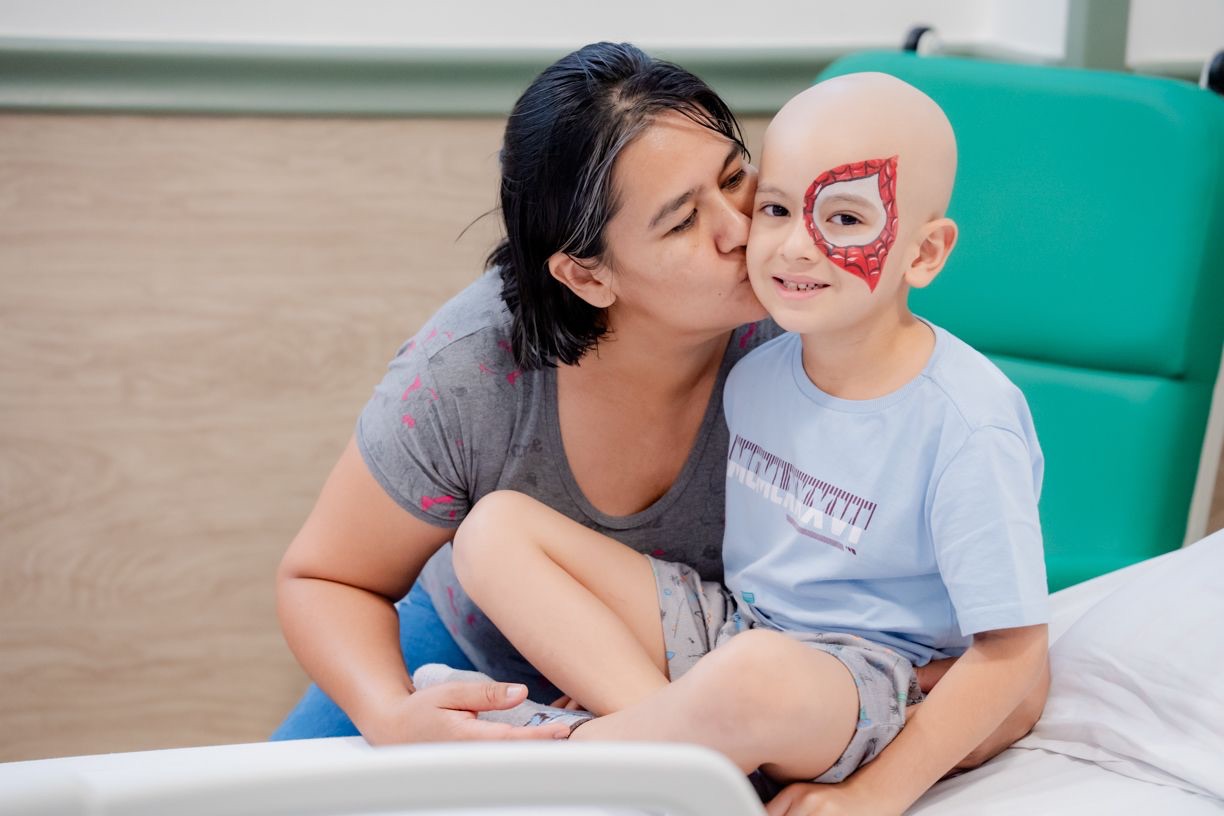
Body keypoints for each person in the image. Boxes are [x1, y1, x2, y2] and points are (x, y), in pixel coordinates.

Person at [273, 41, 1046, 775]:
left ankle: (653, 753)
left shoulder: (807, 316)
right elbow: (326, 578)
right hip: (476, 650)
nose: (744, 231)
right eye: (682, 221)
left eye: (737, 178)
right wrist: (389, 714)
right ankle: (665, 750)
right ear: (588, 276)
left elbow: (982, 640)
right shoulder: (469, 369)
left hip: (718, 676)